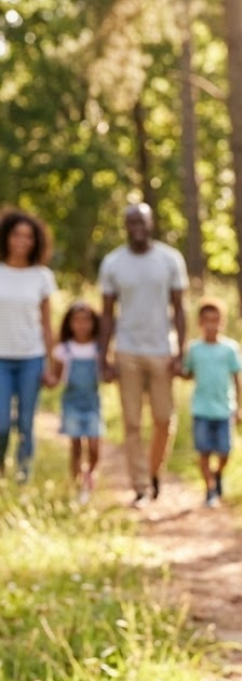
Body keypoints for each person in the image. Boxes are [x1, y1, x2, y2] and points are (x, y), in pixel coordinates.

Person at [98, 203, 188, 507]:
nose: (137, 226)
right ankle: (139, 486)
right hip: (127, 352)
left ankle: (153, 471)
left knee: (164, 419)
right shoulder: (113, 263)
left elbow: (180, 308)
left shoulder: (169, 259)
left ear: (152, 223)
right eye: (131, 221)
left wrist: (181, 352)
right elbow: (107, 315)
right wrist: (104, 358)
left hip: (162, 350)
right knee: (133, 422)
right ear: (125, 225)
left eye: (142, 221)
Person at [0, 208, 57, 483]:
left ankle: (23, 478)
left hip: (31, 358)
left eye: (29, 237)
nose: (22, 241)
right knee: (0, 423)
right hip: (1, 358)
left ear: (36, 241)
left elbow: (47, 324)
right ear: (6, 237)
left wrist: (52, 365)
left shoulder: (42, 276)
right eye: (17, 235)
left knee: (25, 423)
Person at [182, 298, 242, 508]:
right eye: (207, 320)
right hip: (201, 409)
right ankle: (209, 490)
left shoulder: (230, 349)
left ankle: (218, 475)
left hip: (224, 408)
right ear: (200, 322)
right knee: (204, 452)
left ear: (222, 322)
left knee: (225, 451)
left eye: (216, 320)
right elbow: (188, 373)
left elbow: (237, 378)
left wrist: (239, 406)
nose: (211, 325)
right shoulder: (194, 349)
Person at [51, 301, 103, 503]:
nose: (82, 325)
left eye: (86, 320)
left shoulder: (98, 348)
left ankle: (90, 475)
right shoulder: (64, 349)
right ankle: (76, 484)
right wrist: (47, 380)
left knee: (94, 446)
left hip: (93, 402)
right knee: (76, 446)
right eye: (77, 320)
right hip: (71, 401)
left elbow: (106, 372)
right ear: (70, 323)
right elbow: (56, 377)